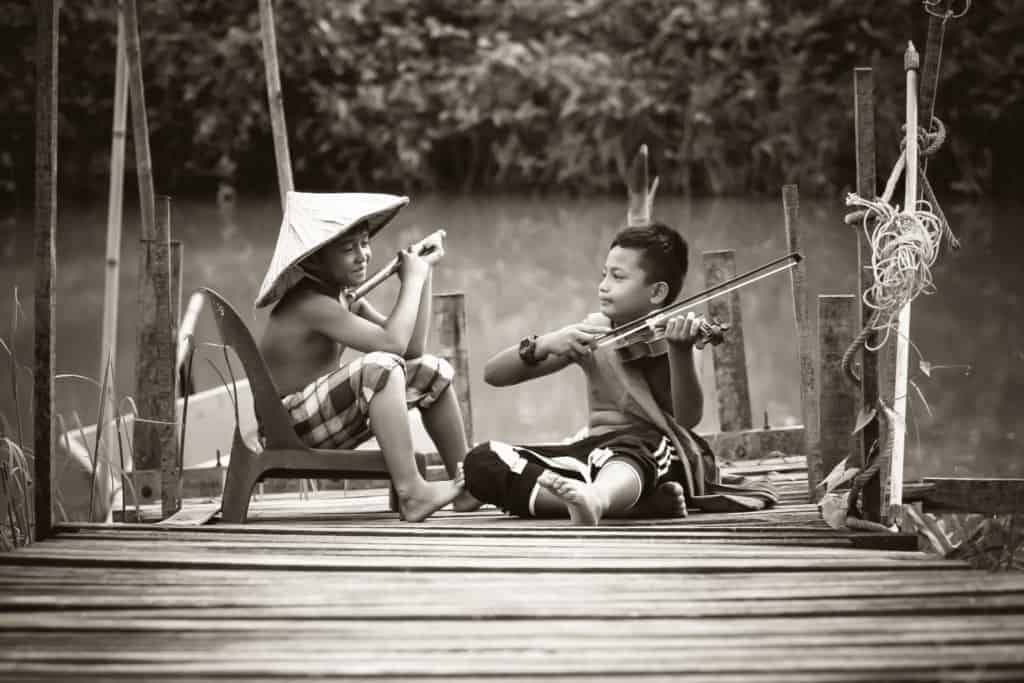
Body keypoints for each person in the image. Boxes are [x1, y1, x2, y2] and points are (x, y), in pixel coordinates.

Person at [462, 222, 777, 525]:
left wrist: (680, 352)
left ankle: (598, 499)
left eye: (618, 277)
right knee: (481, 461)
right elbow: (494, 374)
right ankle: (618, 506)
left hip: (652, 454)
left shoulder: (676, 337)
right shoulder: (591, 334)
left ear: (656, 293)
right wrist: (545, 343)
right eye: (603, 275)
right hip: (592, 455)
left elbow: (688, 418)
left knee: (634, 450)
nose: (603, 286)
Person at [255, 191, 479, 522]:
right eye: (348, 249)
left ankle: (470, 485)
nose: (362, 255)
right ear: (314, 260)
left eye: (364, 243)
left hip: (323, 420)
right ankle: (412, 492)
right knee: (380, 367)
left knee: (431, 370)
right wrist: (412, 282)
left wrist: (421, 275)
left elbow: (411, 350)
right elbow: (391, 346)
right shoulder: (309, 304)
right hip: (289, 426)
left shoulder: (345, 299)